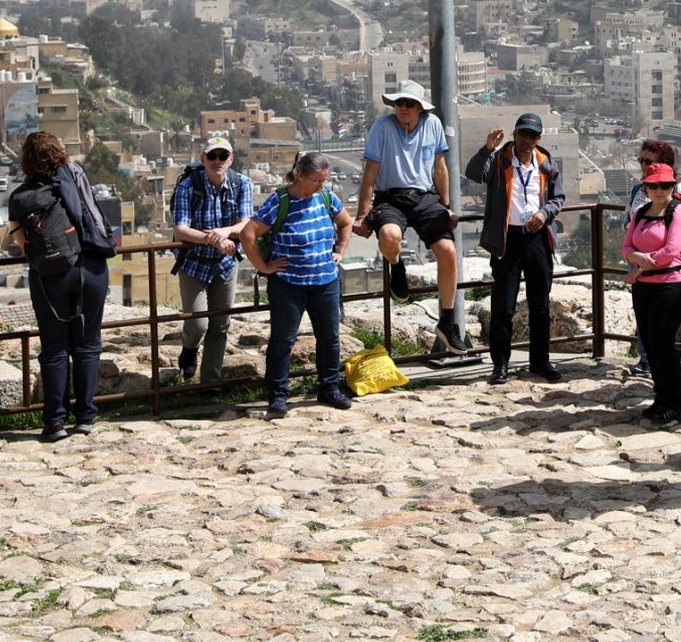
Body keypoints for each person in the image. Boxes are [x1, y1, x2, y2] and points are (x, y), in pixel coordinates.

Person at [4, 130, 118, 442]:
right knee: (87, 343)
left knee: (55, 348)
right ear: (59, 153)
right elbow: (93, 216)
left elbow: (21, 243)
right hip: (91, 270)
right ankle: (85, 416)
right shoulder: (76, 177)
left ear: (26, 161)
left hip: (50, 276)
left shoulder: (20, 199)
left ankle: (55, 423)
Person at [241, 152, 358, 420]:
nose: (321, 185)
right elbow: (249, 233)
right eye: (317, 180)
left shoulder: (326, 197)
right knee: (283, 340)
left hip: (325, 280)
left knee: (329, 338)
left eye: (324, 180)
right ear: (301, 176)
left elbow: (345, 222)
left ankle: (329, 388)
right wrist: (264, 267)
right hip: (289, 283)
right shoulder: (280, 201)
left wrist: (340, 250)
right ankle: (278, 396)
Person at [357, 82, 465, 362]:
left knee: (448, 251)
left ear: (419, 107)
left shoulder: (433, 125)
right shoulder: (382, 127)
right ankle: (397, 266)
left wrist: (447, 205)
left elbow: (440, 168)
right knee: (390, 237)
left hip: (424, 196)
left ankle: (448, 321)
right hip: (390, 196)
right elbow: (370, 172)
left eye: (409, 103)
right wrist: (362, 213)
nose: (404, 108)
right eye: (400, 103)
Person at [466, 114, 562, 385]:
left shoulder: (545, 163)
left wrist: (545, 213)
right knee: (503, 307)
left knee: (540, 304)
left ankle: (540, 361)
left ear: (538, 139)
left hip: (538, 238)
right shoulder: (500, 160)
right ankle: (501, 364)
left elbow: (558, 197)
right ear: (514, 134)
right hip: (507, 240)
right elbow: (474, 174)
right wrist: (487, 149)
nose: (526, 140)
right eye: (522, 134)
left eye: (532, 136)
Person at [168, 131, 252, 386]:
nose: (217, 160)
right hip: (194, 262)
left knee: (220, 325)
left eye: (222, 155)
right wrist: (212, 239)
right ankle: (189, 348)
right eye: (212, 156)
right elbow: (180, 229)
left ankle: (210, 383)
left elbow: (246, 223)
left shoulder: (242, 184)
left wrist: (224, 232)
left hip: (225, 263)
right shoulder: (188, 186)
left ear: (230, 159)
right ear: (203, 159)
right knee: (198, 324)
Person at [622, 164, 681, 427]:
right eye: (654, 185)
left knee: (663, 345)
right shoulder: (641, 212)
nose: (660, 190)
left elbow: (672, 249)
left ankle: (674, 405)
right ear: (646, 188)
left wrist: (639, 266)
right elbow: (626, 245)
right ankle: (661, 398)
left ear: (673, 186)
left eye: (665, 185)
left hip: (672, 285)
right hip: (645, 286)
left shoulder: (679, 212)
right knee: (651, 345)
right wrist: (635, 258)